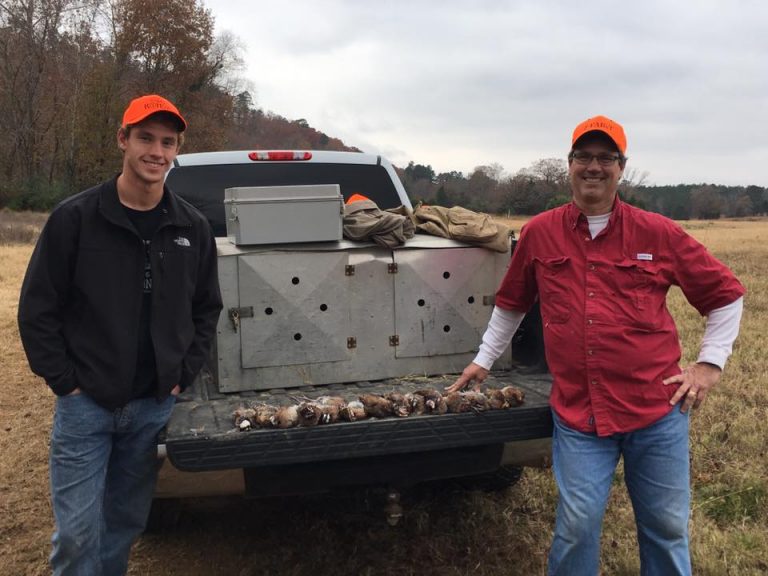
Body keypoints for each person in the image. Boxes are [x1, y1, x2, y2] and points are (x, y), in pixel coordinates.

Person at [447, 115, 745, 575]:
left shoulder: (658, 232)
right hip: (579, 414)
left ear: (621, 168)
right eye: (584, 156)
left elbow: (725, 295)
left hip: (655, 411)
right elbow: (512, 303)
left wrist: (708, 366)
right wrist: (483, 360)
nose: (594, 166)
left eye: (606, 158)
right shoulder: (541, 232)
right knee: (577, 524)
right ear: (568, 165)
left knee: (666, 527)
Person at [18, 94, 223, 575]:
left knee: (125, 522)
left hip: (152, 406)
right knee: (77, 533)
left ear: (177, 151)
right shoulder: (76, 219)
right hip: (86, 406)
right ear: (122, 140)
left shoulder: (190, 228)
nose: (157, 151)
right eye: (146, 138)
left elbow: (206, 309)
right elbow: (38, 309)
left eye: (167, 142)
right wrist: (65, 382)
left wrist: (181, 375)